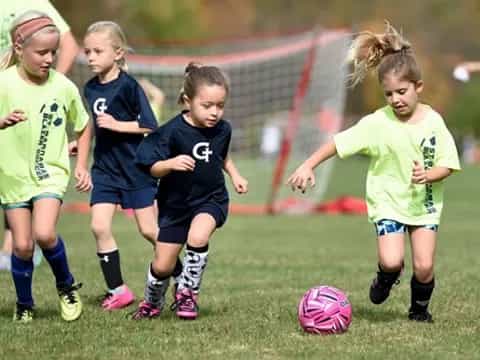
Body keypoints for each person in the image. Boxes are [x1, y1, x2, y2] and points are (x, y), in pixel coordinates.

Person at [287, 22, 460, 323]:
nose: (396, 100)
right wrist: (308, 164)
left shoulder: (434, 122)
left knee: (424, 266)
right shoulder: (377, 123)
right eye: (389, 94)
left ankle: (419, 311)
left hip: (425, 204)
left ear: (419, 87)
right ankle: (386, 276)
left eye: (402, 92)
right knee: (392, 260)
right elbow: (338, 143)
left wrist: (429, 176)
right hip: (388, 203)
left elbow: (448, 164)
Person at [131, 62, 248, 320]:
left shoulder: (223, 130)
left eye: (220, 106)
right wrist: (170, 164)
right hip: (175, 205)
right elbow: (152, 167)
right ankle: (152, 301)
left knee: (197, 237)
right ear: (187, 100)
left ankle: (187, 293)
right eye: (207, 106)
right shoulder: (172, 131)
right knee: (163, 265)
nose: (214, 112)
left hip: (211, 199)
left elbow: (222, 157)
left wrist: (236, 175)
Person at [0, 10, 92, 322]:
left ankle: (65, 285)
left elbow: (83, 125)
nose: (49, 58)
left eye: (53, 52)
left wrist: (81, 165)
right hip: (11, 176)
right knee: (22, 245)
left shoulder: (63, 86)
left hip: (50, 173)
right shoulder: (3, 83)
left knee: (44, 233)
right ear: (18, 48)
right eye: (41, 52)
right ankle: (25, 303)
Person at [83, 21, 179, 311]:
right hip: (105, 171)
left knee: (150, 230)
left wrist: (117, 125)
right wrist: (81, 155)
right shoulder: (89, 88)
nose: (90, 57)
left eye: (97, 51)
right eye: (87, 51)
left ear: (118, 53)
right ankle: (118, 291)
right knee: (99, 226)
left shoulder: (129, 86)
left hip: (135, 170)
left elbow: (150, 125)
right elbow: (90, 125)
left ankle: (182, 276)